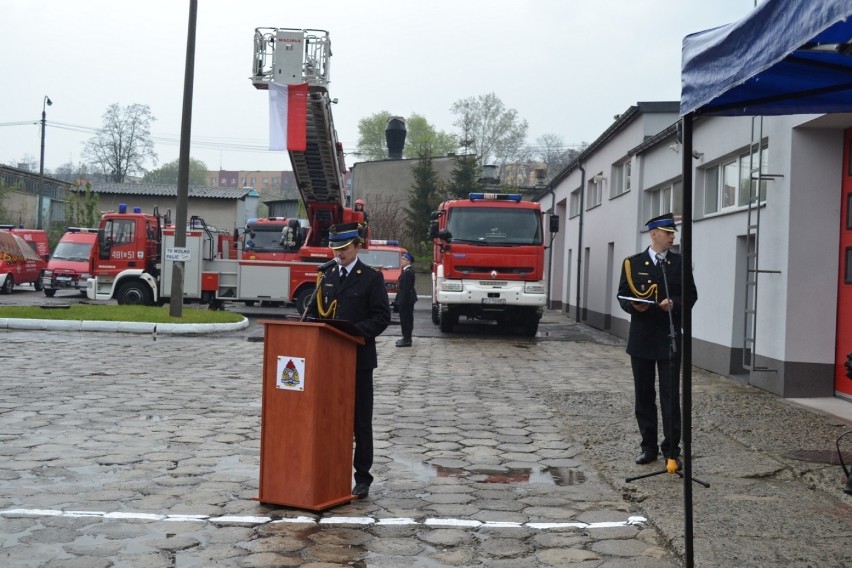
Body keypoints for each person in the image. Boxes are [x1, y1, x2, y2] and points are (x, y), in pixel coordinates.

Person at [305, 221, 390, 498]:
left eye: (343, 249)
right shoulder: (326, 274)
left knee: (360, 422)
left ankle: (362, 478)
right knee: (328, 418)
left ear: (357, 246)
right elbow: (317, 316)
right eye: (335, 249)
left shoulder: (371, 278)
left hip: (358, 361)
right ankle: (328, 469)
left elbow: (381, 317)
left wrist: (354, 333)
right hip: (329, 361)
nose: (338, 254)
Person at [617, 212, 697, 468]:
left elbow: (691, 296)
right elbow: (623, 295)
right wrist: (633, 307)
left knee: (671, 396)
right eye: (668, 233)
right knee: (644, 396)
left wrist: (675, 303)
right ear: (654, 234)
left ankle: (672, 450)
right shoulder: (633, 263)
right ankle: (648, 447)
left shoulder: (680, 263)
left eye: (673, 233)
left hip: (669, 336)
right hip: (642, 338)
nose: (672, 236)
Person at [395, 251, 416, 347]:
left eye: (403, 259)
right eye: (401, 259)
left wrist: (401, 302)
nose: (401, 260)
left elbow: (406, 289)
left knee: (406, 319)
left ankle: (407, 339)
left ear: (408, 261)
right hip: (405, 298)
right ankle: (405, 337)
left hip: (406, 300)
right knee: (404, 319)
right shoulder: (405, 271)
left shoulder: (408, 272)